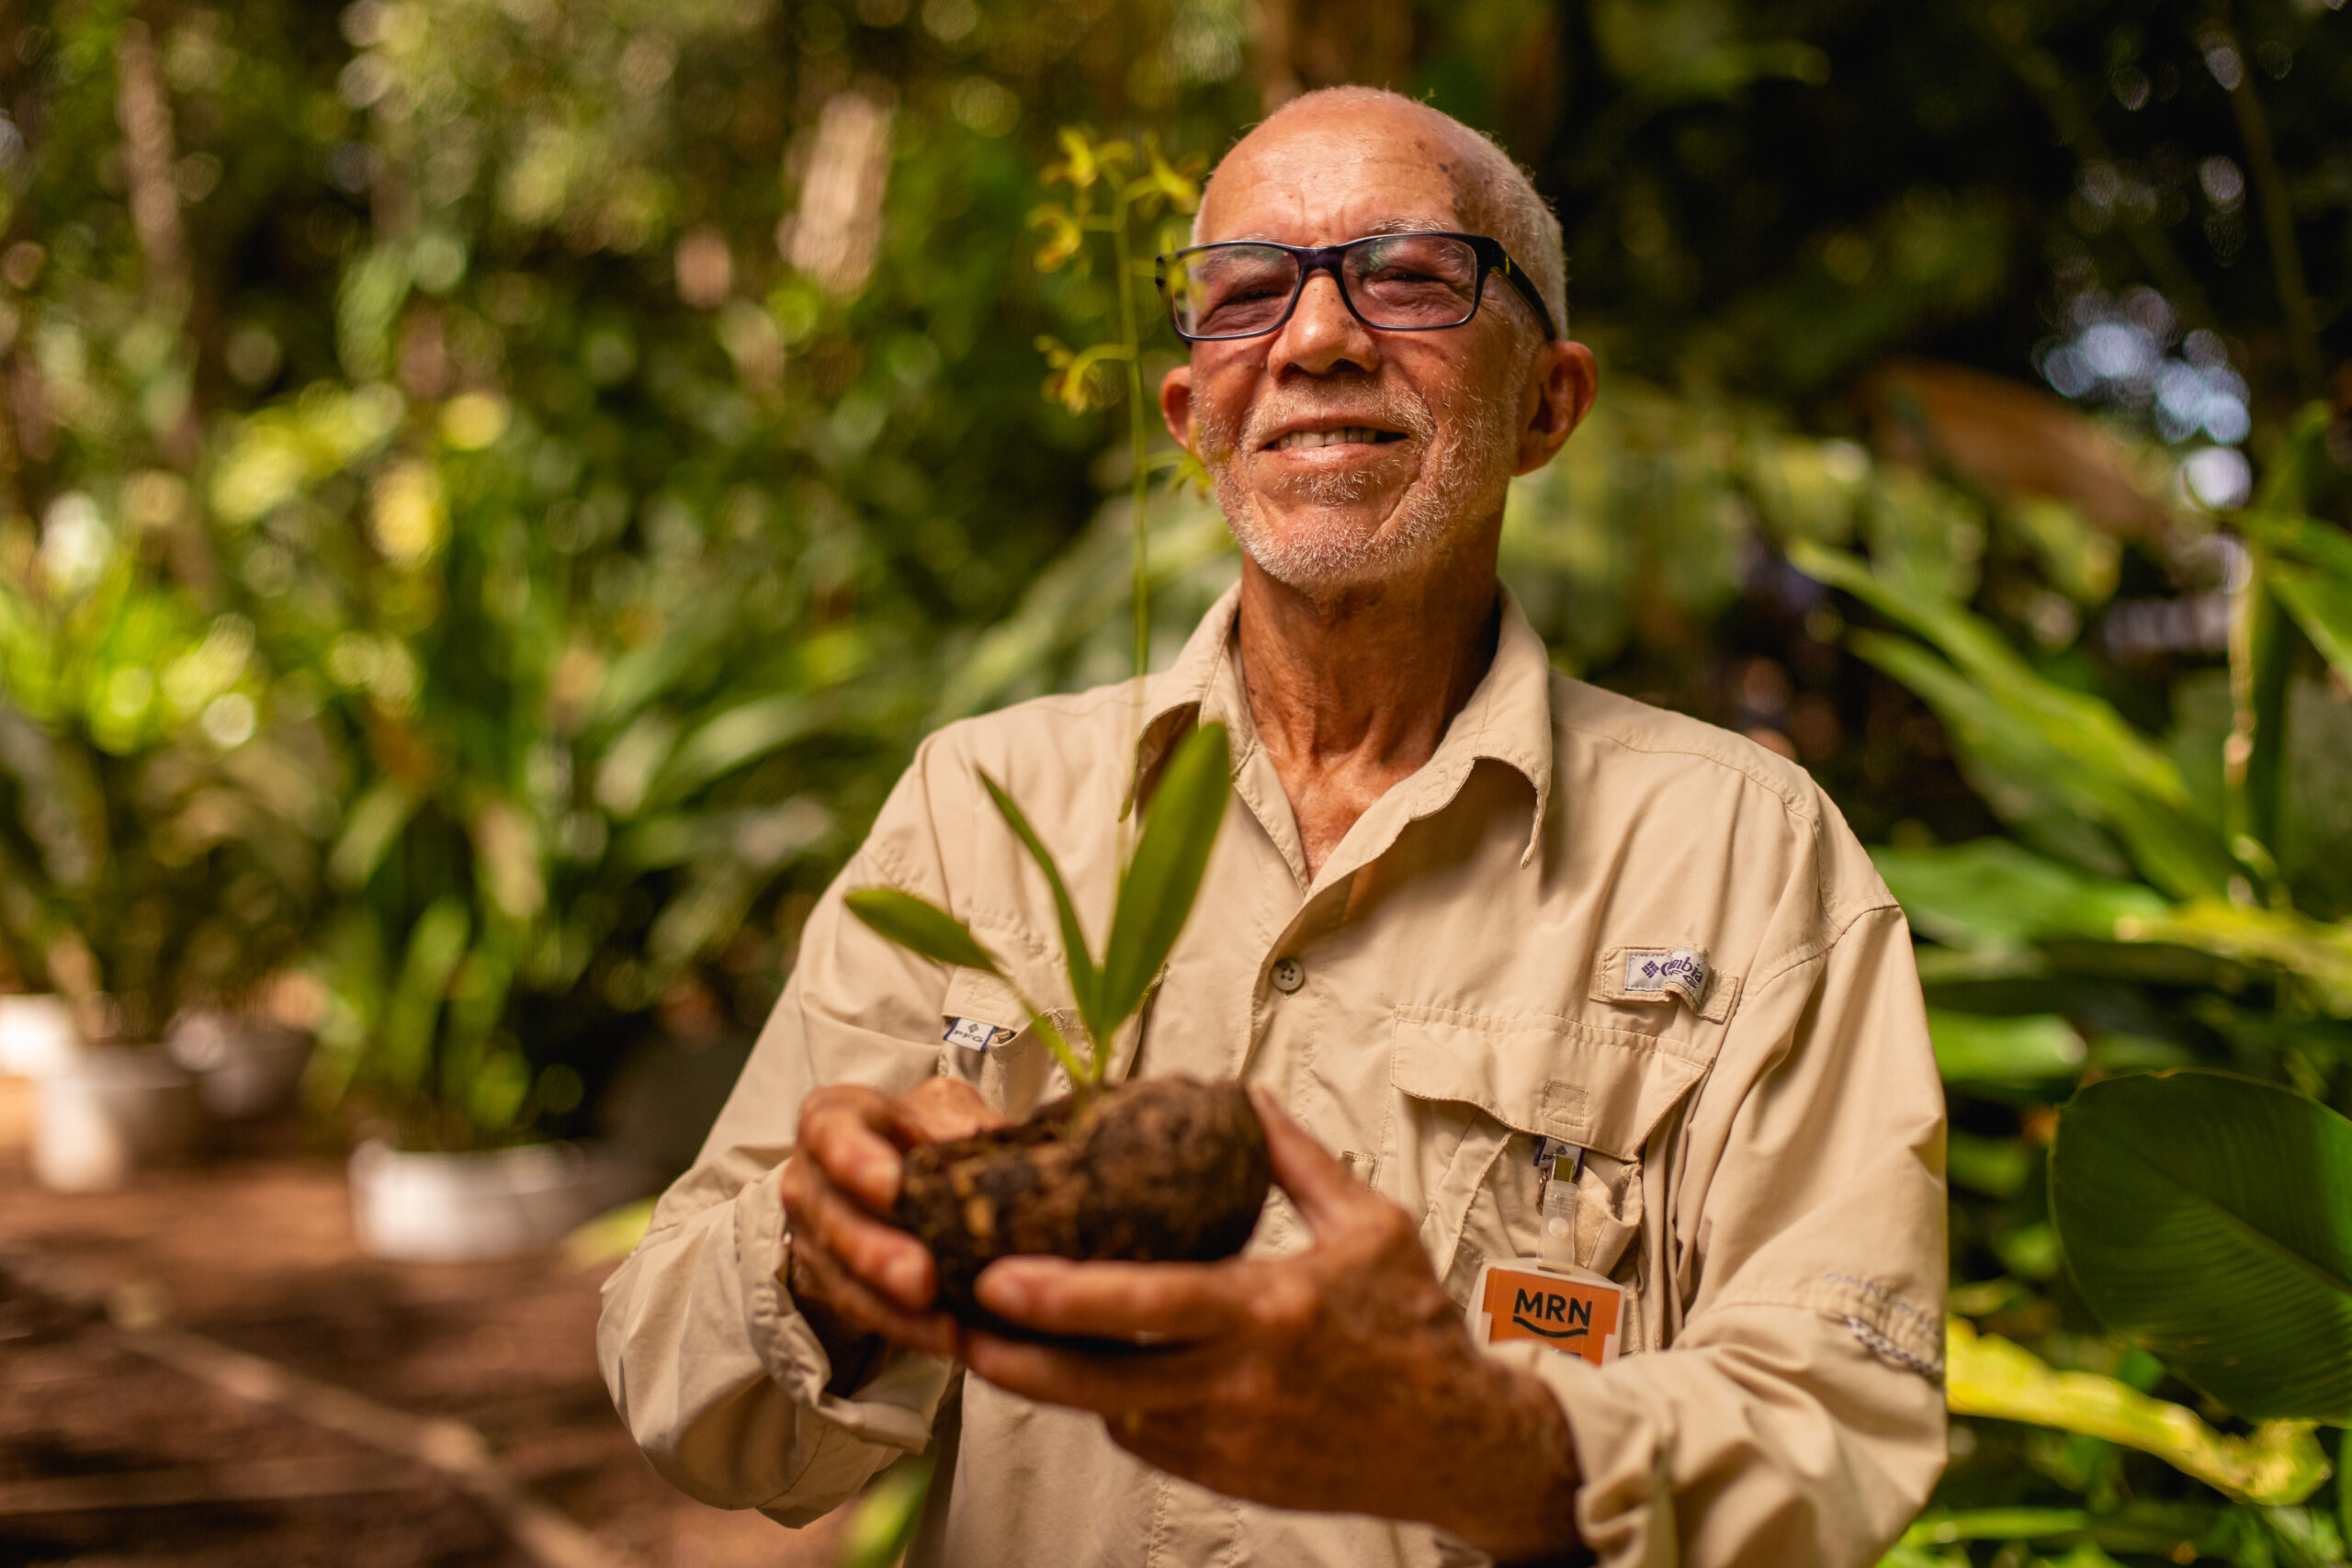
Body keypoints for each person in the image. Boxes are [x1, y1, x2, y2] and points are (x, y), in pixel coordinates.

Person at [598, 85, 1947, 1568]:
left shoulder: (1747, 861)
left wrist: (1482, 1443)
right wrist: (822, 1262)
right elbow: (685, 1390)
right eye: (1246, 295)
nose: (1315, 340)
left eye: (1413, 276)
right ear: (1195, 418)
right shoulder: (979, 810)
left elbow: (1841, 1415)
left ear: (1548, 403)